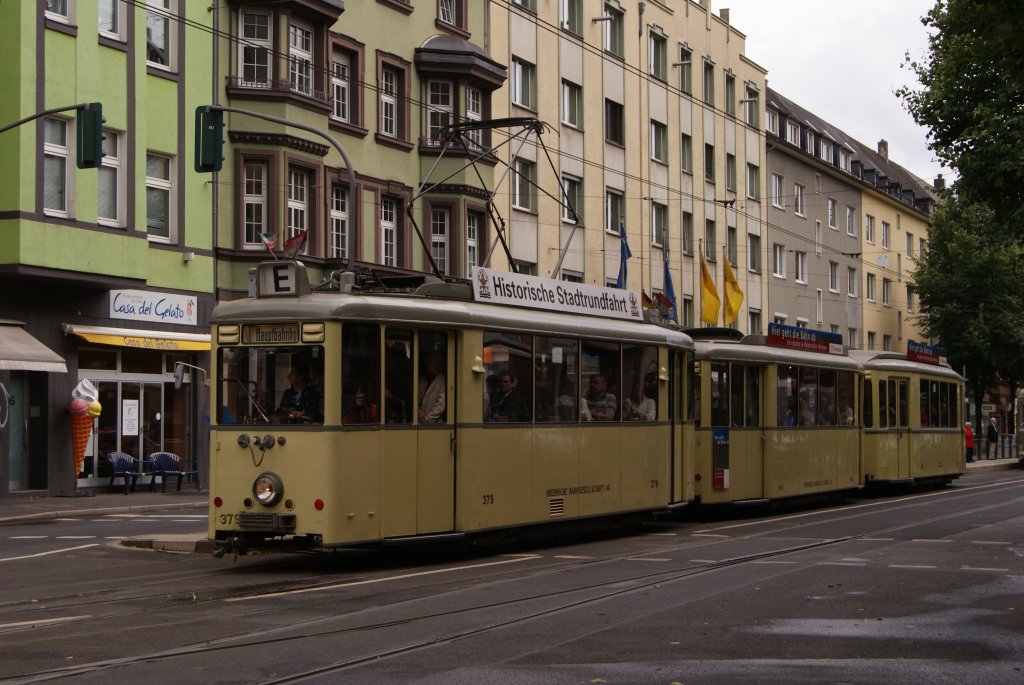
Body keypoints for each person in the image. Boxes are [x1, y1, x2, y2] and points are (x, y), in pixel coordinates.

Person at [418, 353, 446, 424]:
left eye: (430, 361)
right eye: (427, 361)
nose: (427, 364)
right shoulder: (423, 380)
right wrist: (417, 410)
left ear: (438, 364)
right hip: (420, 422)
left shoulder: (442, 380)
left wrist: (426, 420)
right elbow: (416, 399)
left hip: (433, 425)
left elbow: (440, 406)